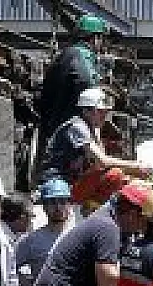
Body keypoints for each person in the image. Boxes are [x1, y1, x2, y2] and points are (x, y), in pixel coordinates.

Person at [38, 14, 106, 170]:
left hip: (53, 131)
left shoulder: (64, 55)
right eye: (101, 38)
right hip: (70, 135)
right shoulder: (81, 56)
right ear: (94, 38)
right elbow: (88, 87)